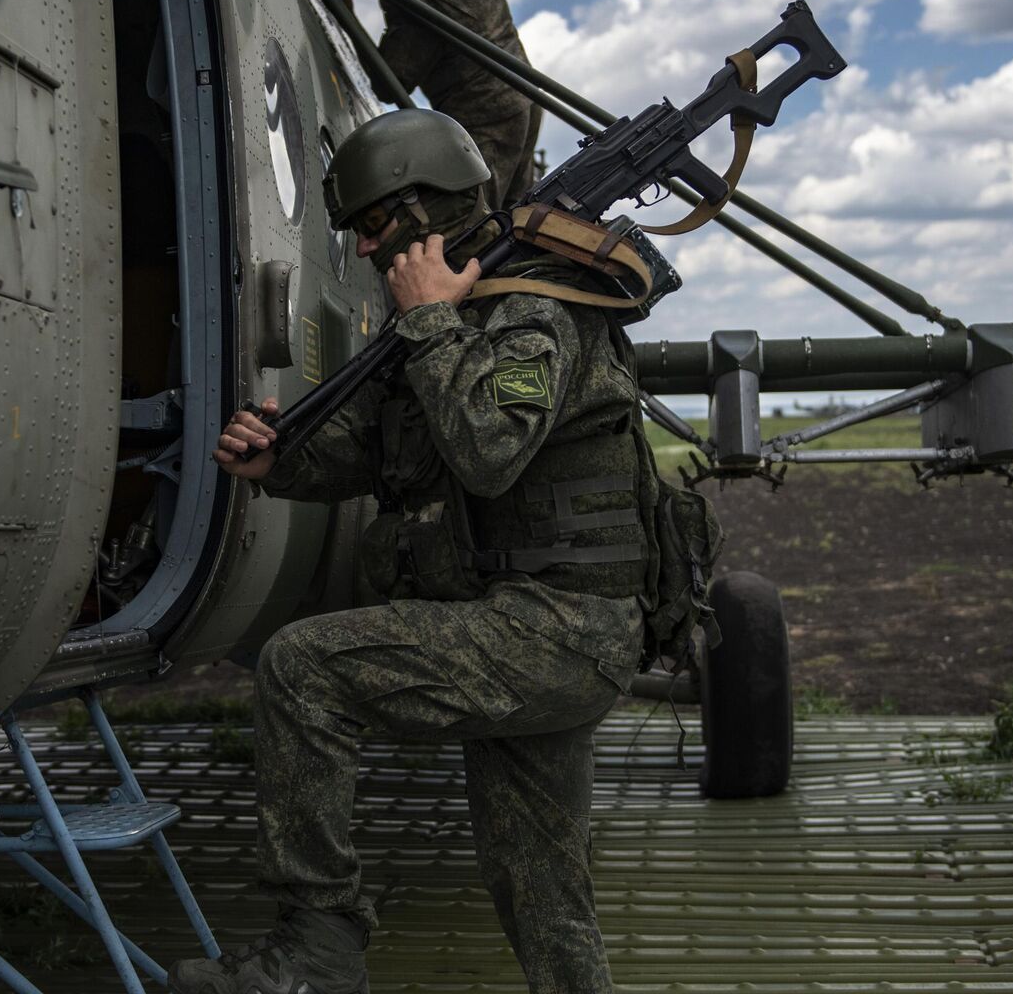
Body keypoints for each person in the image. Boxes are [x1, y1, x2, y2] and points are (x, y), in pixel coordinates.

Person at [172, 109, 658, 994]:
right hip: (523, 624)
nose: (360, 253)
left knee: (301, 669)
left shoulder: (532, 309)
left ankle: (318, 949)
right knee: (543, 890)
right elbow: (372, 450)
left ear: (425, 210)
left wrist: (432, 324)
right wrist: (277, 459)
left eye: (371, 227)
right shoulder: (451, 319)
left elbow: (488, 450)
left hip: (558, 628)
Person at [336, 0, 542, 208]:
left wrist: (347, 15)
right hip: (524, 92)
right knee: (517, 215)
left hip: (484, 120)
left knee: (474, 225)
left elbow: (390, 82)